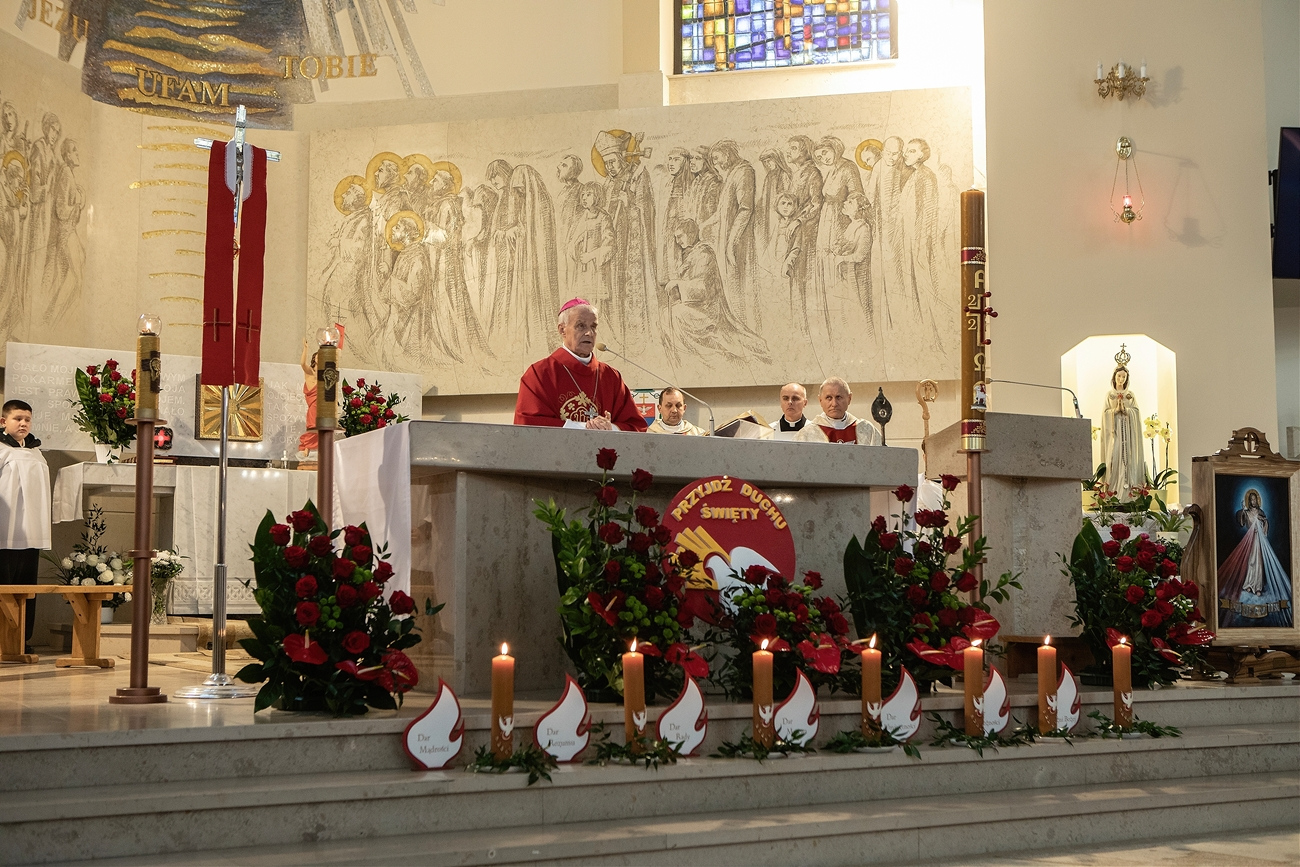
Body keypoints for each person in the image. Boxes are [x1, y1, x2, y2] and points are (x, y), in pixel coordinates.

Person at [514, 299, 648, 431]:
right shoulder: (539, 373)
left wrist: (610, 428)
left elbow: (636, 426)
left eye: (593, 326)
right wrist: (585, 427)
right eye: (581, 326)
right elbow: (528, 424)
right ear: (562, 330)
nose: (589, 333)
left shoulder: (611, 377)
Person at [0, 400, 51, 653]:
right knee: (4, 585)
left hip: (32, 531)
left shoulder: (36, 452)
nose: (23, 424)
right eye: (18, 418)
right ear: (3, 422)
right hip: (5, 530)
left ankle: (21, 639)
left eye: (27, 420)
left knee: (27, 587)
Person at [1218, 488, 1294, 628]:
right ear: (1249, 501)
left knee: (1258, 563)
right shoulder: (1246, 512)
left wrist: (1263, 522)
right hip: (1250, 541)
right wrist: (1242, 510)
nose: (1253, 501)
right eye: (1251, 499)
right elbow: (1242, 523)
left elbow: (1265, 524)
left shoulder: (1260, 512)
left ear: (1257, 500)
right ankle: (1249, 584)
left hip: (1259, 541)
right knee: (1250, 562)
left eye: (1254, 499)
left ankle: (1257, 586)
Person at [1100, 359, 1144, 499]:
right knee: (1115, 457)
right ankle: (1114, 491)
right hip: (1115, 434)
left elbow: (1136, 411)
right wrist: (1115, 410)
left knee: (1128, 459)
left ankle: (1129, 494)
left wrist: (1126, 410)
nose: (1121, 379)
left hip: (1128, 435)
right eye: (1119, 376)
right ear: (1114, 377)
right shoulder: (1110, 395)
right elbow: (1105, 414)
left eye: (1124, 376)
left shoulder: (1130, 395)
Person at [795, 377, 882, 444]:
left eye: (839, 397)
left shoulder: (867, 430)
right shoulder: (806, 434)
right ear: (820, 400)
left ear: (849, 398)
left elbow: (883, 458)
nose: (834, 404)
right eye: (829, 398)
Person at [297, 339, 318, 459]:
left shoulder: (324, 374)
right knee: (313, 427)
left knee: (321, 429)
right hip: (313, 406)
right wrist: (305, 348)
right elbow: (302, 364)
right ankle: (305, 448)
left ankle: (312, 450)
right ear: (314, 358)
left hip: (322, 407)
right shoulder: (310, 372)